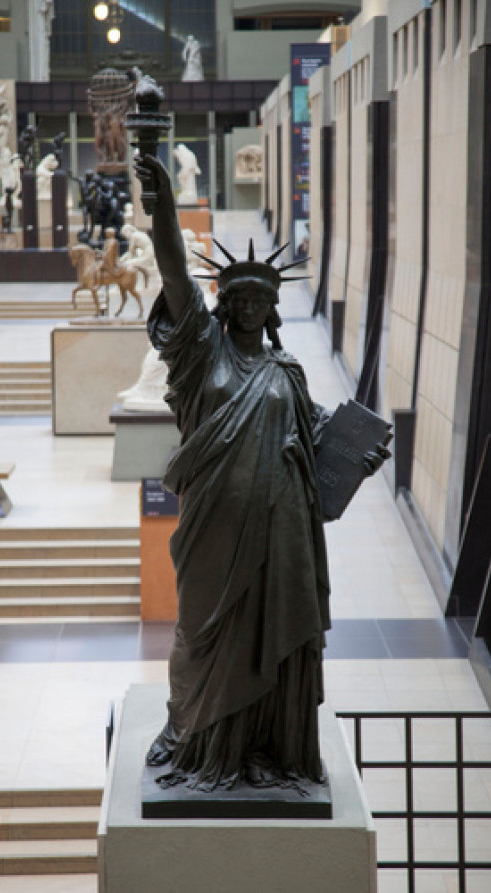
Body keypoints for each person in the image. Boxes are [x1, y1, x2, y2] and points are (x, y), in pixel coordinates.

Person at [135, 154, 388, 793]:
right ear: (224, 306)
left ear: (273, 308)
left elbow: (320, 435)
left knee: (274, 637)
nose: (248, 308)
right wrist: (164, 210)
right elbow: (174, 274)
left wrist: (359, 454)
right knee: (201, 635)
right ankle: (204, 743)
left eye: (260, 300)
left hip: (281, 536)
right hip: (214, 533)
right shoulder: (200, 352)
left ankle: (267, 751)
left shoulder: (287, 374)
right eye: (238, 298)